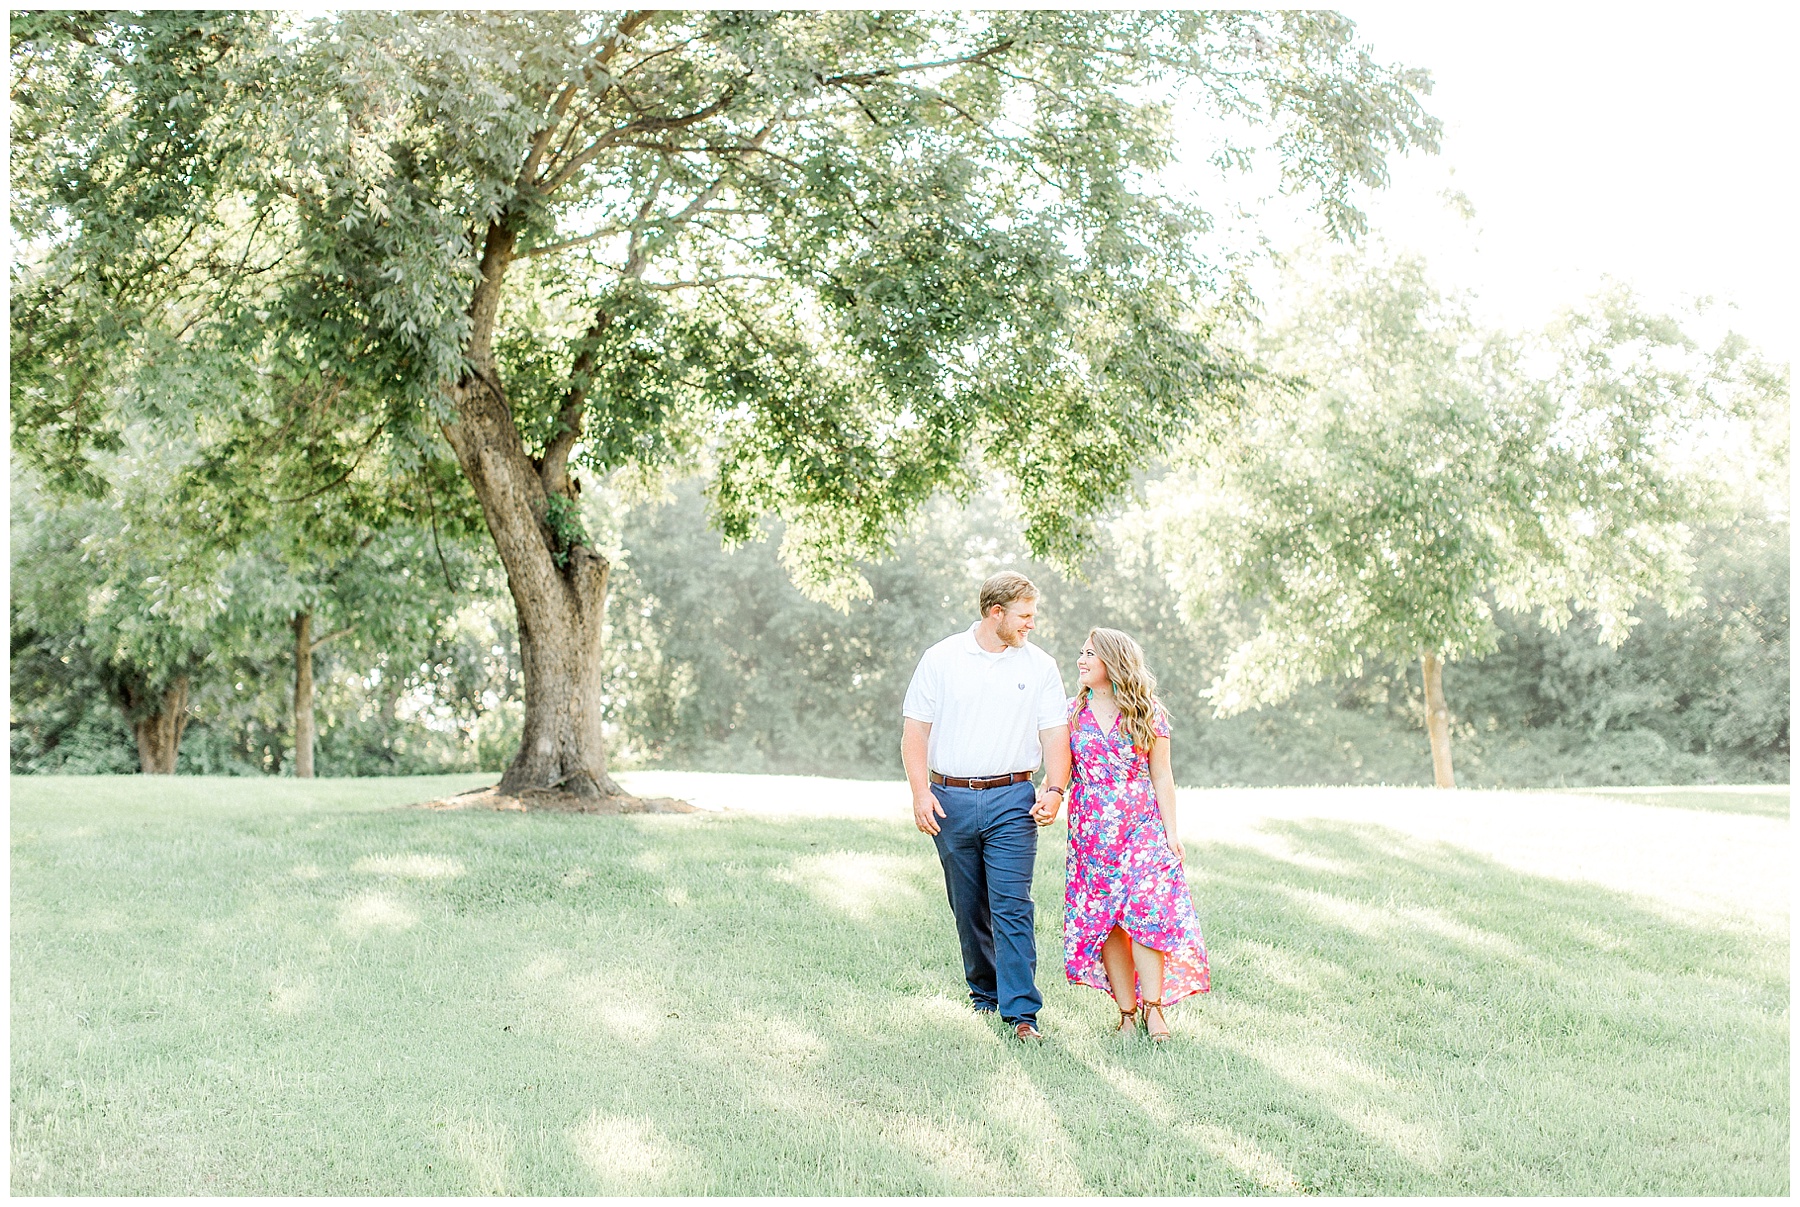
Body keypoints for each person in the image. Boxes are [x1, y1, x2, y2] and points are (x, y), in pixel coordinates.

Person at [902, 572, 1071, 1042]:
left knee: (1012, 905)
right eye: (1024, 616)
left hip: (1012, 800)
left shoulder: (1040, 666)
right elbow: (914, 731)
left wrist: (1055, 790)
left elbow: (1055, 734)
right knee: (969, 906)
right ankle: (984, 995)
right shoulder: (941, 659)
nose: (1031, 625)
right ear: (996, 613)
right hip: (949, 798)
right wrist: (920, 792)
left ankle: (1021, 1014)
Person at [1063, 627, 1209, 1042]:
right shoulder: (1072, 712)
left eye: (1090, 653)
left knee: (1146, 914)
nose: (1081, 660)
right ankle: (1126, 1014)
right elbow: (1061, 769)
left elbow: (1161, 774)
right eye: (1081, 651)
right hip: (1091, 833)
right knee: (1107, 922)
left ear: (1112, 660)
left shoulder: (1148, 711)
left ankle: (1154, 1009)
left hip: (1141, 827)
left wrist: (1171, 833)